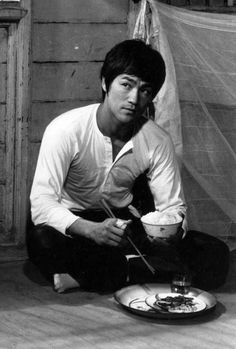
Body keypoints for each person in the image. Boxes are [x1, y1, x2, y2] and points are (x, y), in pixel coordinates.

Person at [27, 39, 229, 294]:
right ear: (105, 83)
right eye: (126, 84)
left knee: (216, 255)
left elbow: (173, 207)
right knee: (41, 241)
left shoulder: (157, 140)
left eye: (145, 90)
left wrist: (170, 233)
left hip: (125, 227)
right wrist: (90, 230)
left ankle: (95, 275)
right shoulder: (65, 129)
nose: (134, 98)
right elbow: (42, 203)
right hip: (75, 224)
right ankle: (139, 271)